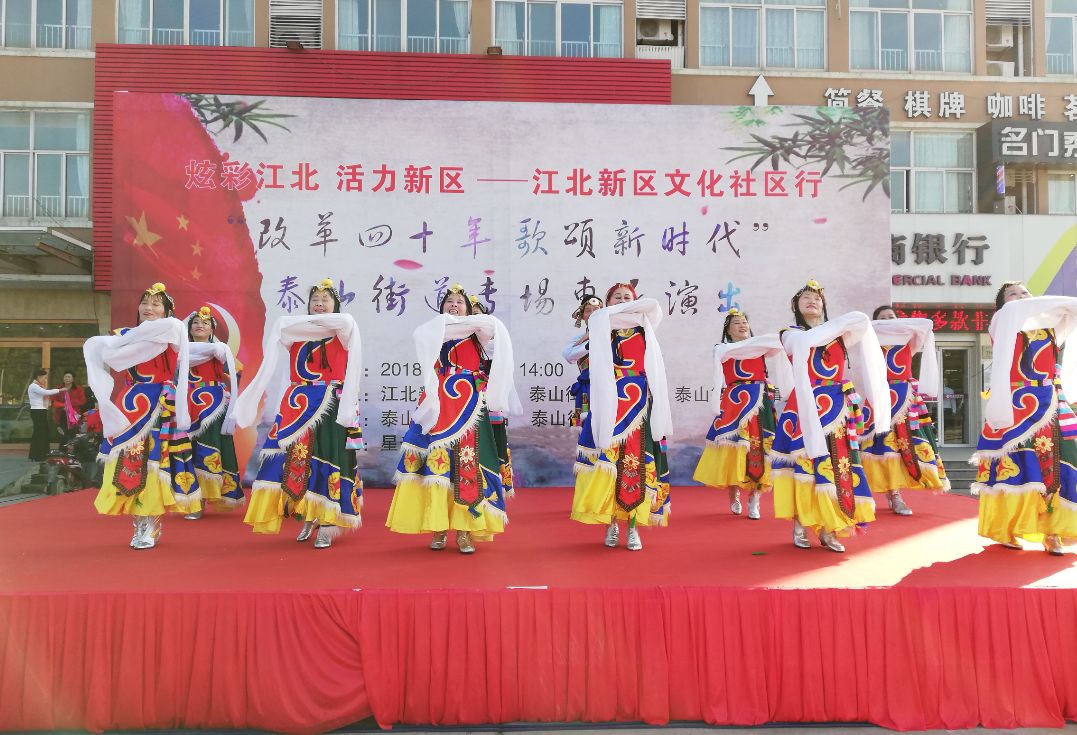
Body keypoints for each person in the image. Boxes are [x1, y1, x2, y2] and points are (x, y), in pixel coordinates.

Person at [386, 285, 520, 553]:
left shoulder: (478, 332)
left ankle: (464, 531)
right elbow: (420, 335)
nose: (454, 304)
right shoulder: (433, 330)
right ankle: (438, 528)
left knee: (467, 462)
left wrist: (469, 321)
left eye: (460, 302)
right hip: (438, 402)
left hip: (470, 404)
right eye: (449, 301)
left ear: (469, 310)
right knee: (438, 463)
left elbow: (492, 328)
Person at [233, 279, 364, 549]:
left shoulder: (343, 328)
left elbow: (342, 322)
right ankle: (307, 513)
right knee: (296, 459)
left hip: (330, 403)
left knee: (328, 458)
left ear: (336, 305)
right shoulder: (294, 331)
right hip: (296, 404)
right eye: (315, 299)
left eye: (325, 299)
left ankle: (328, 520)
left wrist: (303, 322)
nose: (319, 303)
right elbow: (282, 329)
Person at [771, 280, 889, 553]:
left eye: (817, 298)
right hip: (805, 405)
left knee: (838, 464)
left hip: (836, 406)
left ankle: (830, 527)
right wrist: (839, 324)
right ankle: (801, 523)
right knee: (805, 464)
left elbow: (861, 323)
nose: (812, 301)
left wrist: (841, 324)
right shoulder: (789, 333)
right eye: (805, 297)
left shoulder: (839, 335)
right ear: (795, 306)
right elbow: (805, 342)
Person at [972, 281, 1077, 555]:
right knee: (1017, 465)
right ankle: (1007, 527)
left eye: (1025, 293)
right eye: (1012, 294)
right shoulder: (1002, 321)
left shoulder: (1050, 323)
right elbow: (1014, 312)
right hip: (1016, 404)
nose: (1020, 297)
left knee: (1054, 462)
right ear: (1001, 304)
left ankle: (1052, 532)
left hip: (1050, 401)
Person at [85, 283, 193, 550]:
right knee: (129, 461)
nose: (148, 308)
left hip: (158, 405)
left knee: (153, 461)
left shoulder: (172, 331)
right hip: (130, 404)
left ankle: (150, 521)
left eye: (156, 304)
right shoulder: (123, 336)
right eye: (145, 302)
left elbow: (115, 347)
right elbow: (106, 353)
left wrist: (126, 339)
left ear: (167, 311)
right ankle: (139, 521)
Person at [571, 282, 672, 551]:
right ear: (608, 302)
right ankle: (611, 524)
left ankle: (634, 526)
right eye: (617, 296)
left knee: (636, 461)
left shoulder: (645, 324)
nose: (624, 299)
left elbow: (653, 306)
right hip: (610, 399)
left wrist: (628, 308)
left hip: (640, 400)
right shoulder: (601, 324)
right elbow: (573, 353)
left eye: (628, 296)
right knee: (609, 461)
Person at [693, 309, 791, 520]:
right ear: (728, 330)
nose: (742, 325)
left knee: (759, 447)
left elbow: (777, 342)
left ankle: (754, 498)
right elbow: (741, 350)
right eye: (737, 323)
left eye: (745, 322)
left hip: (760, 401)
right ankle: (734, 492)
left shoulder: (760, 346)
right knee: (733, 447)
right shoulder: (722, 349)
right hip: (734, 401)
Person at [860, 308, 949, 516]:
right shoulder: (870, 339)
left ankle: (898, 492)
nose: (887, 321)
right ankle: (893, 494)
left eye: (891, 317)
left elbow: (926, 324)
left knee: (906, 444)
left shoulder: (910, 337)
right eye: (882, 319)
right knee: (883, 445)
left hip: (905, 396)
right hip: (880, 396)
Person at [182, 305, 244, 519]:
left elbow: (234, 370)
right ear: (189, 328)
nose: (199, 325)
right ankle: (193, 498)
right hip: (186, 404)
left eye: (205, 323)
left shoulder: (219, 350)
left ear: (212, 330)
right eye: (195, 323)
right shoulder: (180, 352)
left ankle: (207, 495)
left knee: (208, 447)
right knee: (187, 450)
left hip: (213, 407)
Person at [563, 295, 603, 427]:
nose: (593, 314)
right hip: (588, 389)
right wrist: (590, 341)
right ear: (582, 316)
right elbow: (569, 356)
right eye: (588, 311)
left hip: (610, 387)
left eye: (596, 310)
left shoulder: (614, 336)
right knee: (588, 428)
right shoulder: (578, 339)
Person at [27, 369, 67, 461]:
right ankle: (38, 455)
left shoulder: (39, 386)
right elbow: (46, 393)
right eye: (44, 378)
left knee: (43, 432)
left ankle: (41, 453)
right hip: (37, 412)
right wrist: (60, 390)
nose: (45, 380)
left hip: (41, 411)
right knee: (39, 433)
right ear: (39, 377)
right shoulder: (33, 386)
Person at [50, 371, 86, 446]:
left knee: (74, 434)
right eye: (65, 377)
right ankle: (63, 450)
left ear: (73, 379)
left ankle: (75, 451)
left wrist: (70, 403)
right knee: (62, 434)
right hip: (61, 415)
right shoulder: (59, 388)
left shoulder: (79, 389)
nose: (67, 378)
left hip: (74, 415)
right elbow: (53, 401)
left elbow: (82, 401)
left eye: (69, 377)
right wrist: (64, 405)